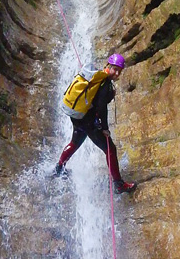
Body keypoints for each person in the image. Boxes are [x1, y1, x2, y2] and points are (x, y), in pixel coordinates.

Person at [54, 53, 137, 194]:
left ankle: (59, 168)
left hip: (78, 116)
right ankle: (119, 184)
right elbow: (101, 107)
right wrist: (104, 128)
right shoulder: (103, 83)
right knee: (110, 149)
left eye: (119, 71)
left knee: (75, 141)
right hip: (87, 120)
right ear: (108, 66)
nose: (116, 73)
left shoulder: (95, 76)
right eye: (115, 69)